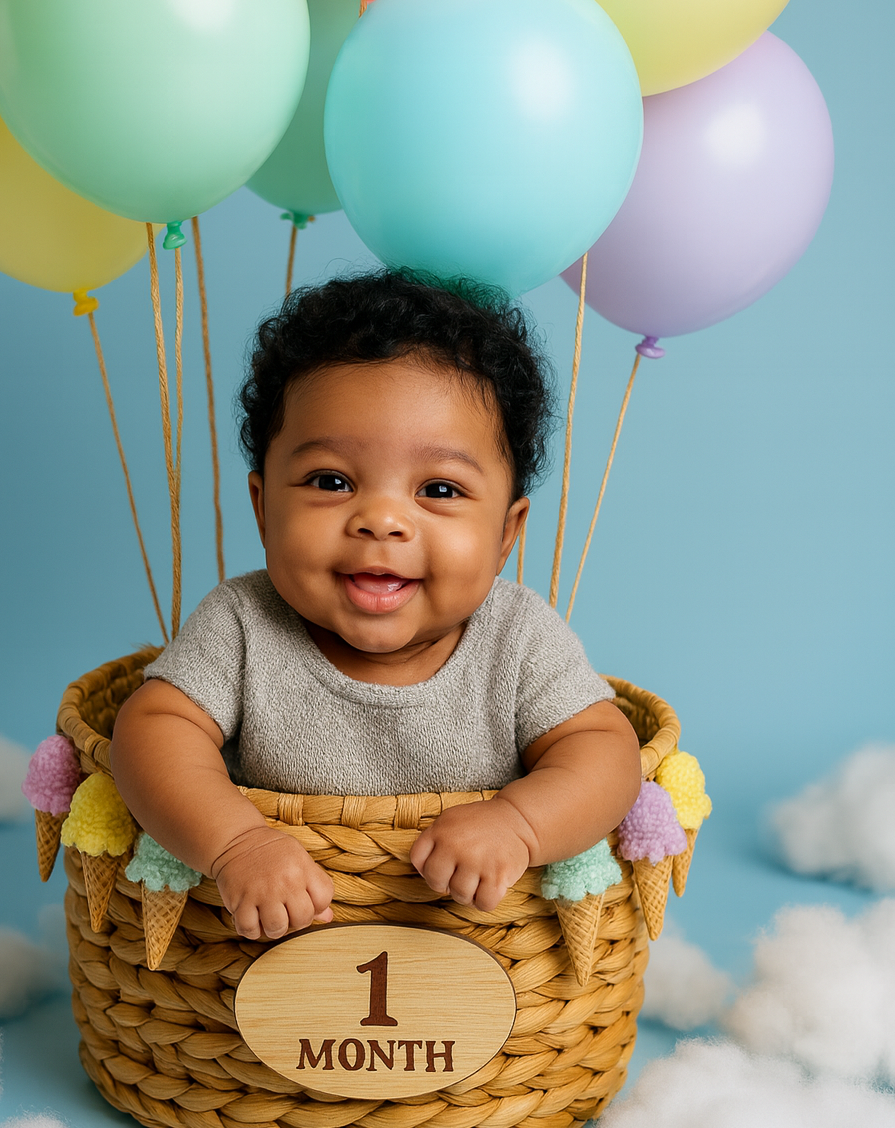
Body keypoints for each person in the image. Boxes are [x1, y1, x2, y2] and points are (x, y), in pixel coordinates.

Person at [111, 271, 640, 941]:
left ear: (506, 534)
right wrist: (236, 843)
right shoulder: (244, 622)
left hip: (471, 952)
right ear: (263, 507)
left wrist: (520, 823)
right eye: (331, 481)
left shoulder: (519, 636)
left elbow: (605, 752)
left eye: (440, 489)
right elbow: (152, 730)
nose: (382, 520)